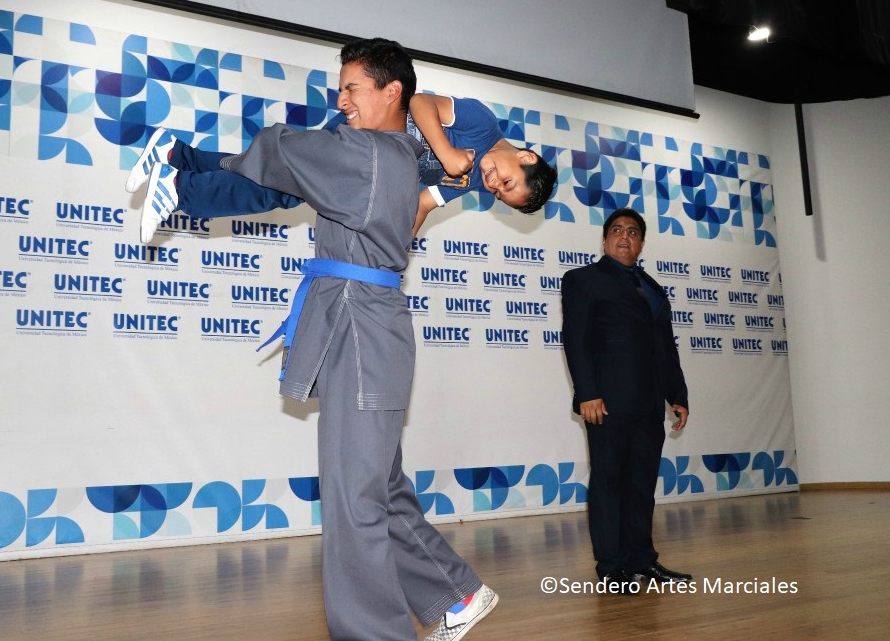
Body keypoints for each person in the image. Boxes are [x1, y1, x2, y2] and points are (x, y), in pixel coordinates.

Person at [146, 37, 497, 640]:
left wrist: (184, 173)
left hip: (362, 331)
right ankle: (455, 594)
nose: (342, 102)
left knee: (353, 498)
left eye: (352, 88)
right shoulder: (391, 156)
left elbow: (283, 150)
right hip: (365, 326)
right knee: (378, 485)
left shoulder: (371, 154)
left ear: (393, 92)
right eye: (341, 90)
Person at [126, 93, 556, 243]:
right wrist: (445, 151)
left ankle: (175, 157)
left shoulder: (470, 179)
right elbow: (420, 102)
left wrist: (397, 244)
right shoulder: (481, 124)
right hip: (364, 133)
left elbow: (422, 204)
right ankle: (179, 189)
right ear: (525, 157)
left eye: (501, 193)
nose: (494, 185)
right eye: (507, 181)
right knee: (283, 187)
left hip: (361, 164)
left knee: (274, 169)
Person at [560, 207, 692, 592]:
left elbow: (665, 347)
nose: (624, 237)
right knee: (609, 484)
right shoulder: (583, 280)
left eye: (632, 232)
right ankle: (612, 568)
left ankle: (641, 561)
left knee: (641, 486)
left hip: (648, 405)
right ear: (604, 240)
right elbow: (576, 340)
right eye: (616, 230)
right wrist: (587, 393)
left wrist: (677, 394)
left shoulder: (653, 288)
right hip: (606, 404)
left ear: (641, 244)